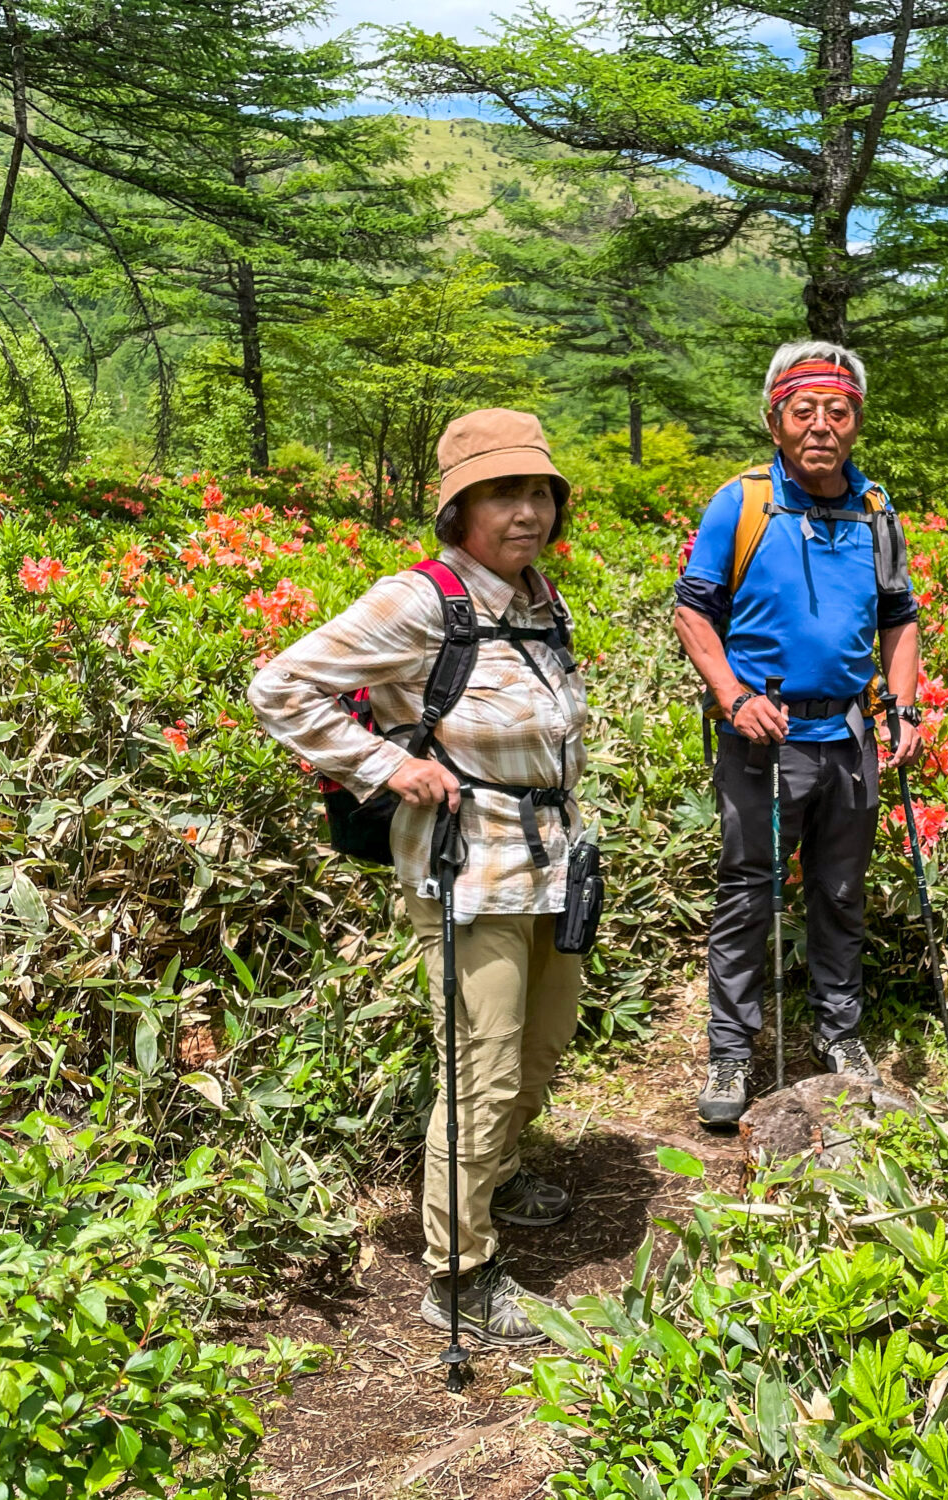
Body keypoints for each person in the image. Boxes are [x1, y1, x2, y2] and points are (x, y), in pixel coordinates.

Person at [249, 409, 587, 1346]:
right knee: (483, 1064)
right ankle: (460, 1274)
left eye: (539, 493)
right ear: (458, 510)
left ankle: (498, 1175)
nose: (527, 512)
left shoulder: (537, 601)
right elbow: (278, 687)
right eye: (502, 494)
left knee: (542, 1044)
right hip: (466, 869)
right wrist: (387, 765)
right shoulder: (420, 601)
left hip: (550, 863)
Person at [674, 342, 925, 1126]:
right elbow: (693, 611)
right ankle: (730, 1051)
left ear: (856, 422)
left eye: (838, 411)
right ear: (775, 421)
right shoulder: (741, 502)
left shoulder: (876, 509)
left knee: (840, 891)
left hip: (847, 735)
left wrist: (903, 706)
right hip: (763, 736)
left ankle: (839, 1034)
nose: (822, 426)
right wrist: (732, 698)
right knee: (748, 892)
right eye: (804, 410)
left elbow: (899, 617)